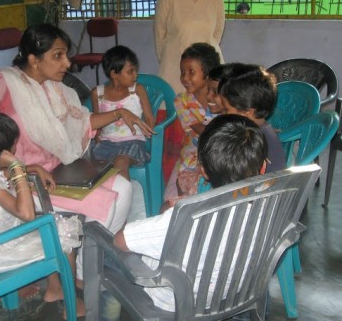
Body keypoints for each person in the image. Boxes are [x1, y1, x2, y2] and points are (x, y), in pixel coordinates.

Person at [0, 23, 155, 283]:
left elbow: (83, 122)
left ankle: (87, 262)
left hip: (61, 169)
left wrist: (119, 112)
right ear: (34, 60)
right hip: (26, 180)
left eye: (65, 55)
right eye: (58, 55)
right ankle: (82, 273)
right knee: (105, 205)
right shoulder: (7, 83)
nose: (67, 63)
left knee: (124, 188)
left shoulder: (57, 89)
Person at [113, 114, 268, 314]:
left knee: (106, 248)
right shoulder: (271, 206)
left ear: (203, 171)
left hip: (173, 302)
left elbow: (120, 240)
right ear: (263, 167)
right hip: (235, 293)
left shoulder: (187, 216)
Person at [0, 113, 83, 315]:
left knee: (49, 225)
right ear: (5, 152)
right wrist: (16, 165)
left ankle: (56, 288)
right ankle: (71, 302)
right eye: (14, 144)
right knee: (64, 230)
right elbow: (27, 214)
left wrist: (33, 168)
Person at [154, 0, 226, 183]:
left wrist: (206, 72)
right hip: (175, 74)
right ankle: (172, 188)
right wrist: (181, 69)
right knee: (176, 141)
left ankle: (207, 182)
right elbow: (160, 38)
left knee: (212, 131)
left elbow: (216, 34)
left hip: (208, 77)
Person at [162, 43, 220, 210]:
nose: (185, 78)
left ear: (207, 72)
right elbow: (199, 130)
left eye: (191, 72)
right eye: (182, 72)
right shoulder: (181, 100)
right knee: (172, 202)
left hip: (217, 156)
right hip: (191, 156)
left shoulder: (222, 96)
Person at [90, 45, 155, 180]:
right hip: (106, 143)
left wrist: (146, 133)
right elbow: (97, 122)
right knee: (96, 169)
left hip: (132, 141)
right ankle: (106, 198)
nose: (135, 75)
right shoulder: (98, 93)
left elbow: (150, 118)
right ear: (114, 73)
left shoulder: (137, 90)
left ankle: (122, 197)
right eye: (130, 71)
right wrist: (97, 139)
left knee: (120, 163)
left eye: (135, 71)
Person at [218, 63, 286, 173]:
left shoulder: (250, 140)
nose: (222, 113)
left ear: (248, 112)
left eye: (226, 109)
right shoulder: (262, 130)